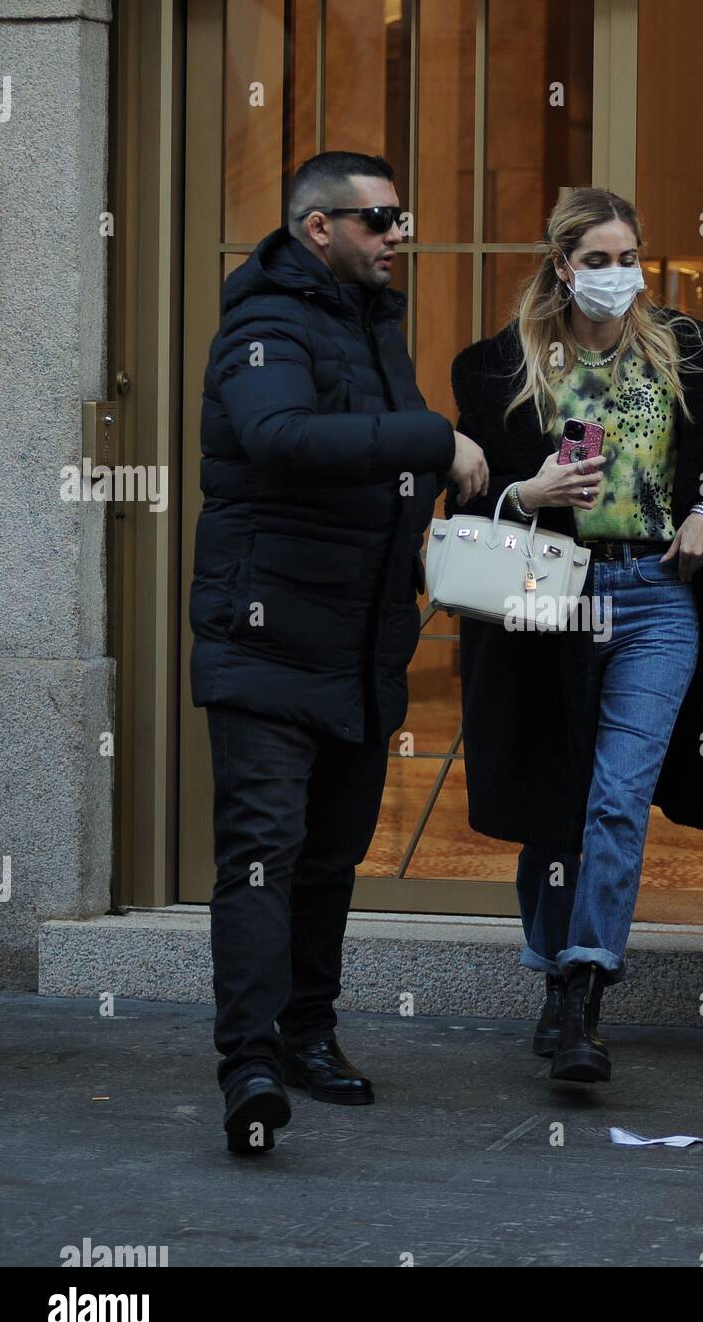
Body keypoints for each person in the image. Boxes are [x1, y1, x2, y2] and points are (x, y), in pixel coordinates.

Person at [189, 151, 487, 1152]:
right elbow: (279, 437)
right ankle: (251, 1065)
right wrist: (430, 438)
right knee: (264, 858)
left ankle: (309, 1035)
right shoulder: (266, 323)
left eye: (401, 216)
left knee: (327, 859)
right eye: (377, 220)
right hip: (266, 640)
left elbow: (374, 467)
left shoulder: (370, 321)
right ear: (319, 229)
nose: (396, 234)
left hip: (358, 646)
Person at [448, 187, 703, 1084]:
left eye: (627, 257)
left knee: (616, 799)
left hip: (656, 597)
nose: (616, 276)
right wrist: (529, 493)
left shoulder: (701, 359)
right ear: (562, 266)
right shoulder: (496, 369)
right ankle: (553, 974)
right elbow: (471, 499)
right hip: (547, 598)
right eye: (596, 261)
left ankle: (585, 987)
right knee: (553, 802)